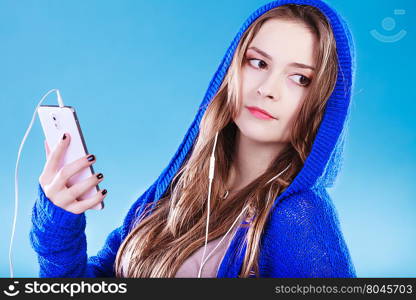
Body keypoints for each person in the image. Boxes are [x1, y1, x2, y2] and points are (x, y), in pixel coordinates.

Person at [30, 0, 357, 278]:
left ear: (324, 103)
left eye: (300, 78)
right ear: (232, 70)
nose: (267, 89)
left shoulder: (300, 218)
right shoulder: (180, 190)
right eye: (258, 63)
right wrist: (59, 220)